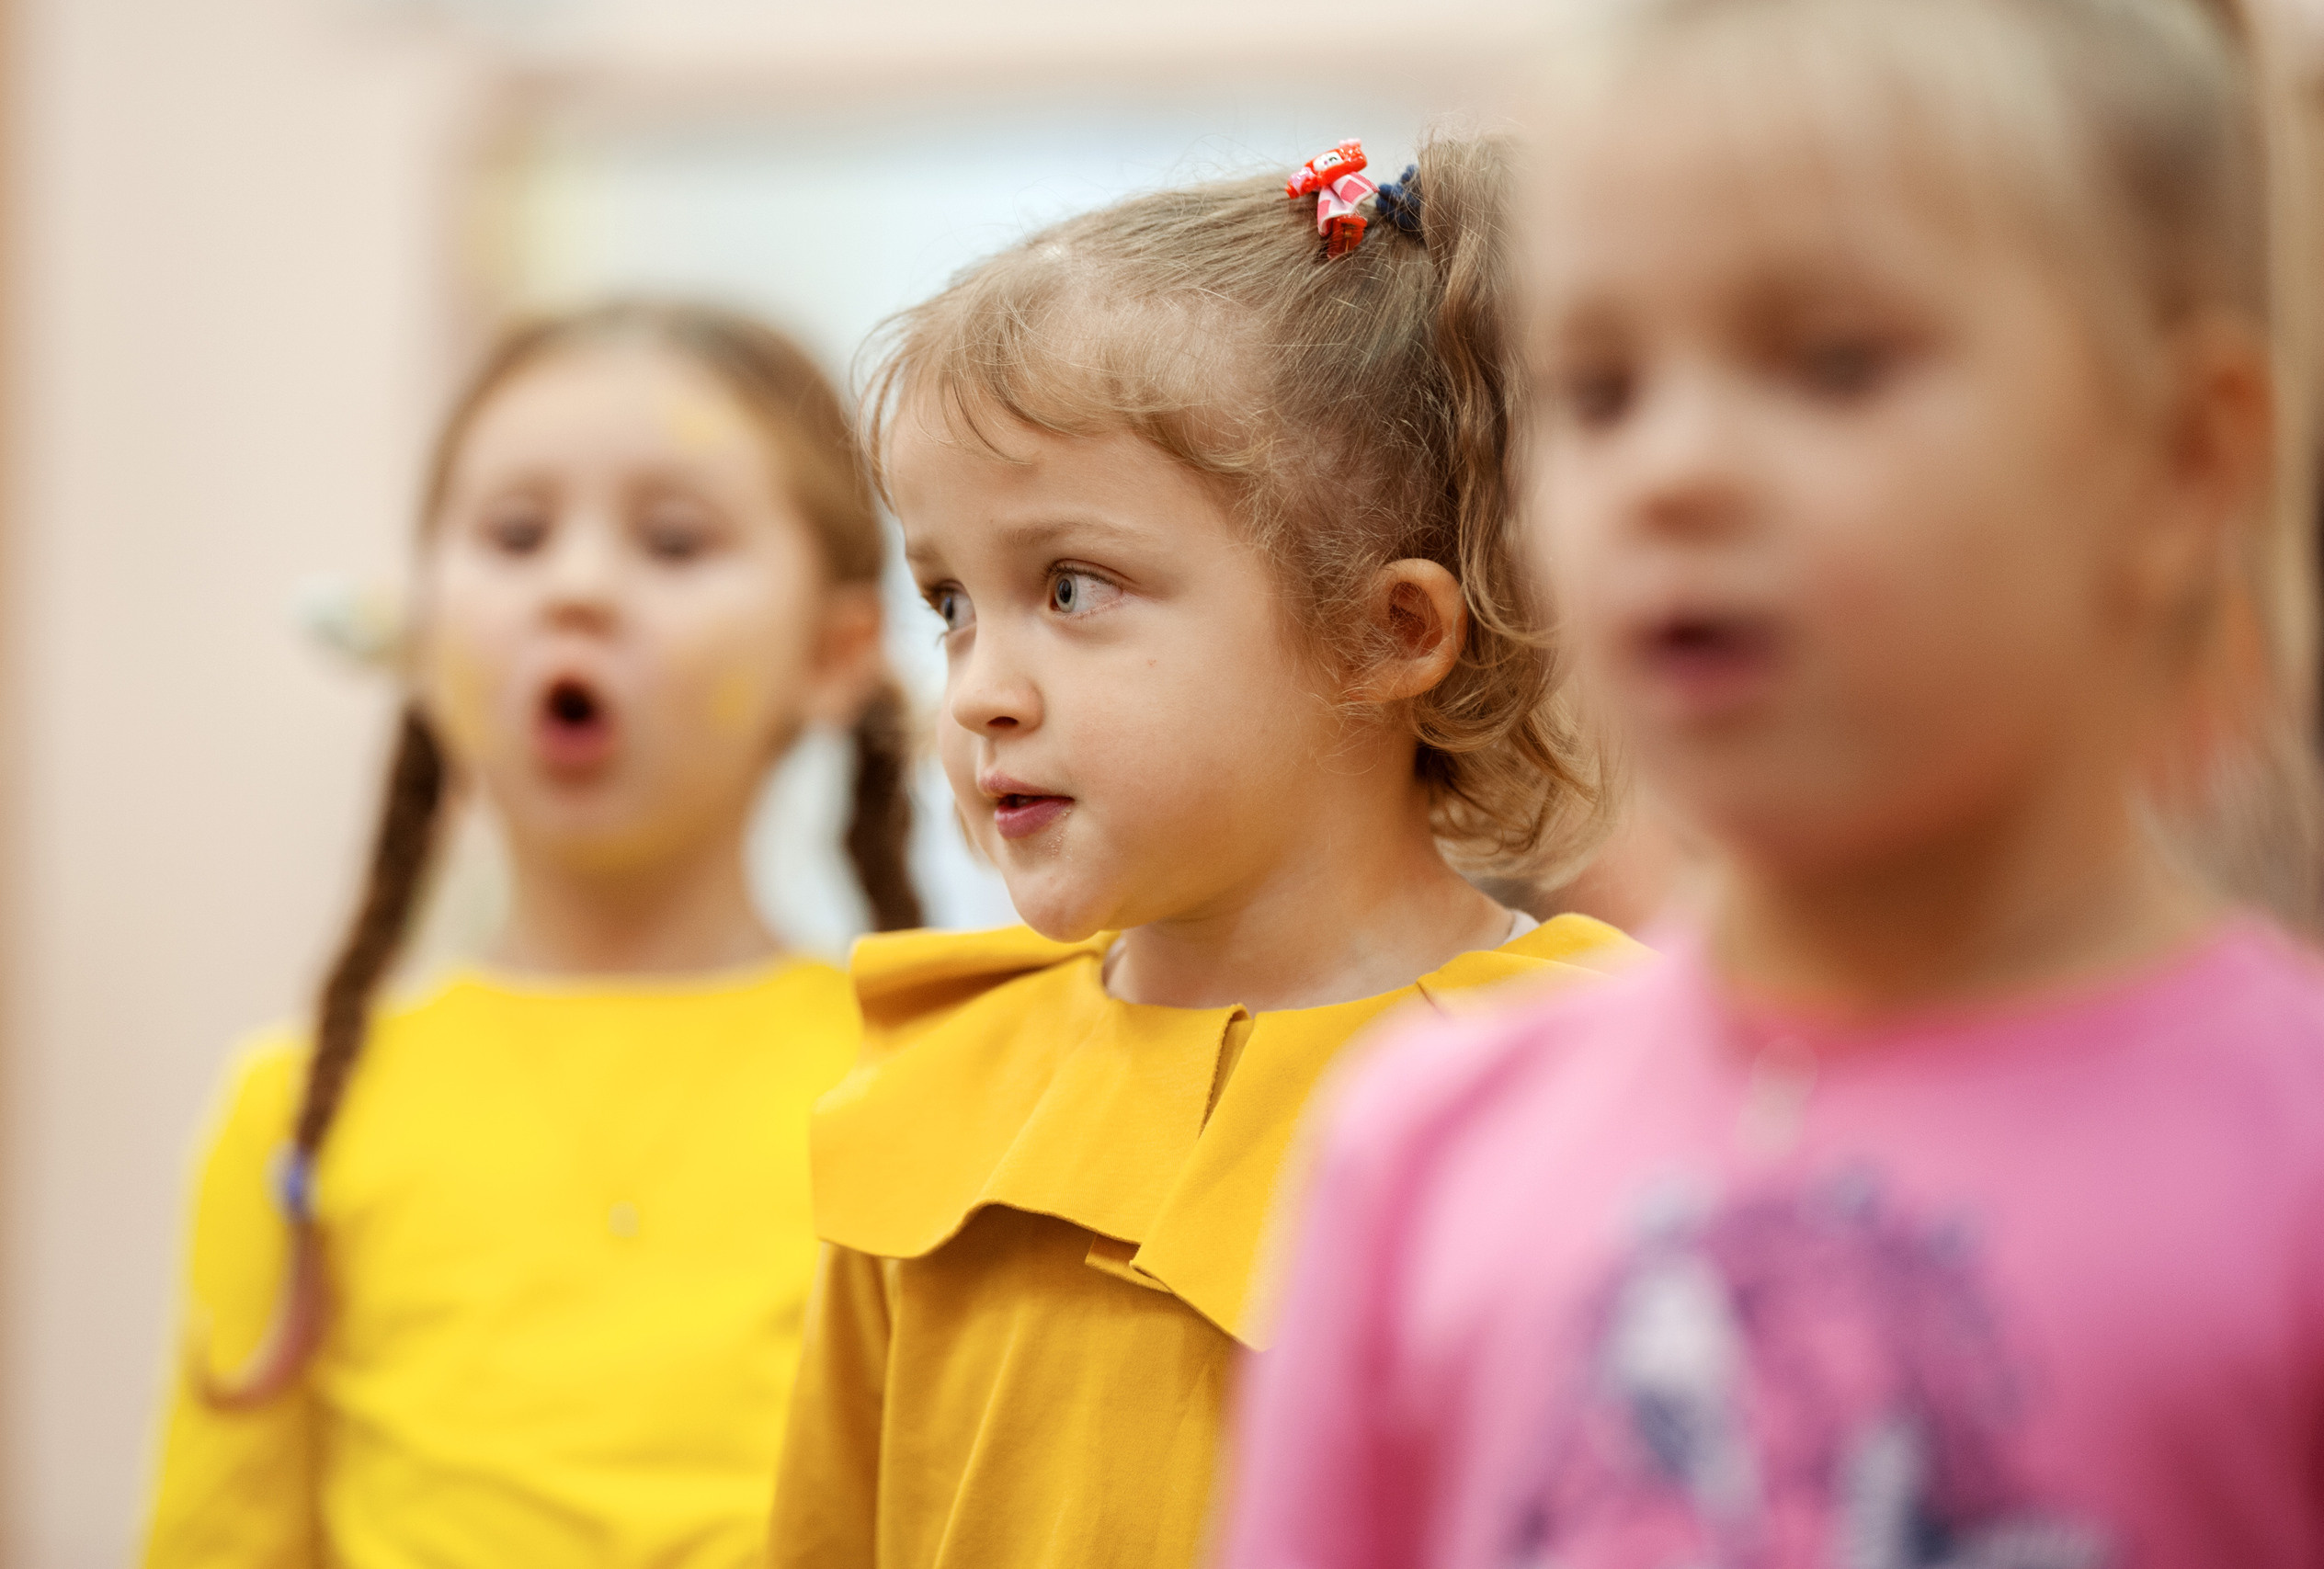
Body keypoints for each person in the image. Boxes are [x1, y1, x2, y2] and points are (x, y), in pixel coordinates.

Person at [1220, 1, 2324, 1564]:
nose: (1673, 471)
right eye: (1598, 391)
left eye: (1833, 362)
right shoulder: (1418, 1159)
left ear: (2182, 465)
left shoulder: (2293, 1170)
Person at [766, 134, 1640, 1569]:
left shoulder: (1586, 1084)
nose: (979, 684)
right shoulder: (931, 1094)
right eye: (950, 603)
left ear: (1387, 633)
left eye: (1071, 585)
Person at [141, 301, 917, 1567]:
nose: (577, 588)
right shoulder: (292, 1118)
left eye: (672, 541)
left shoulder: (924, 1096)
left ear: (835, 655)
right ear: (423, 631)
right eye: (515, 534)